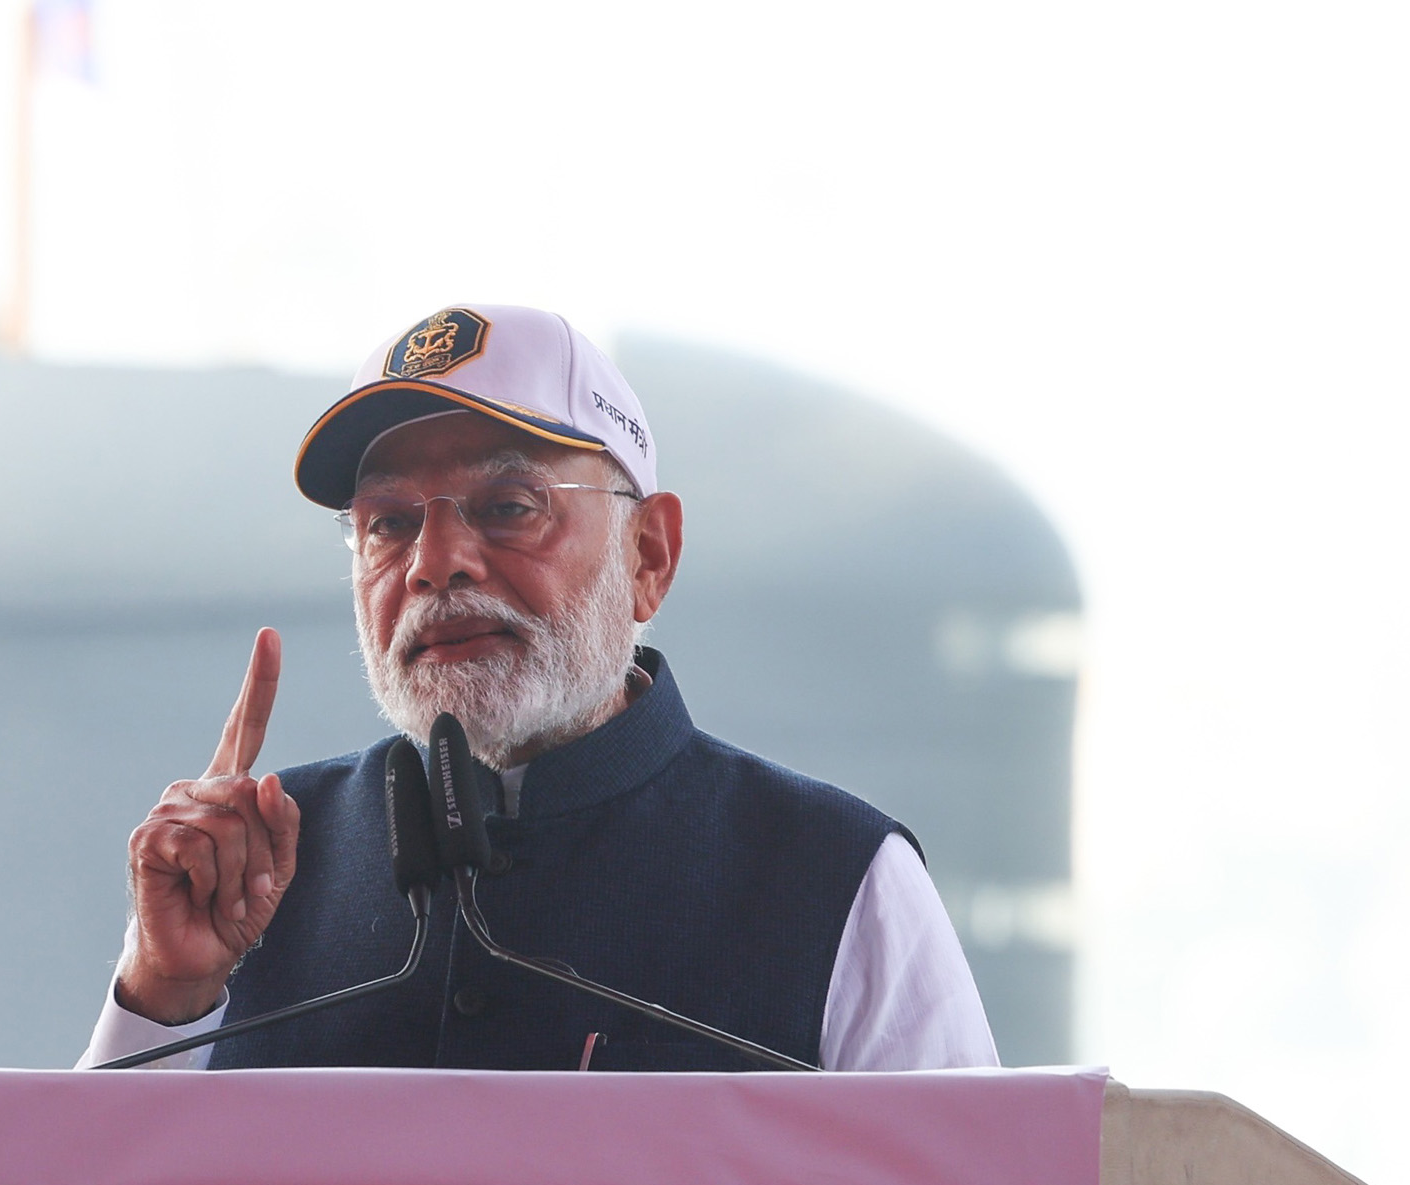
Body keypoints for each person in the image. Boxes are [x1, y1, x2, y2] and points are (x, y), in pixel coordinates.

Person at [81, 304, 996, 1072]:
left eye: (509, 508)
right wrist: (165, 994)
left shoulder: (838, 881)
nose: (435, 565)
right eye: (389, 524)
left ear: (649, 555)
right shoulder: (248, 876)